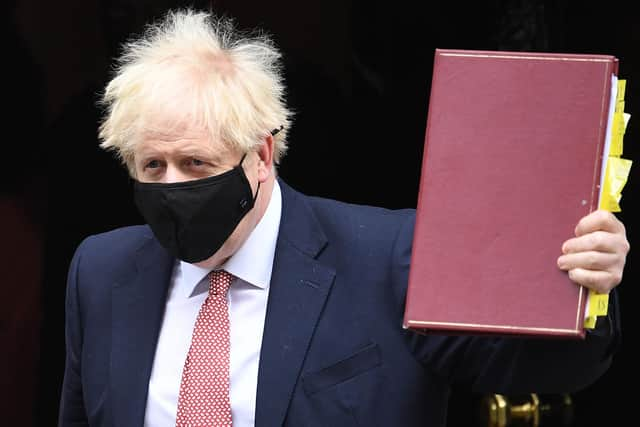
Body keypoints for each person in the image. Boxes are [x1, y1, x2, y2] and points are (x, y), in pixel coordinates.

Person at [58, 8, 630, 427]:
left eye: (195, 162)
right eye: (152, 165)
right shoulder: (102, 270)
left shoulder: (390, 257)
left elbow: (539, 367)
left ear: (261, 156)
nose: (171, 186)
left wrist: (584, 287)